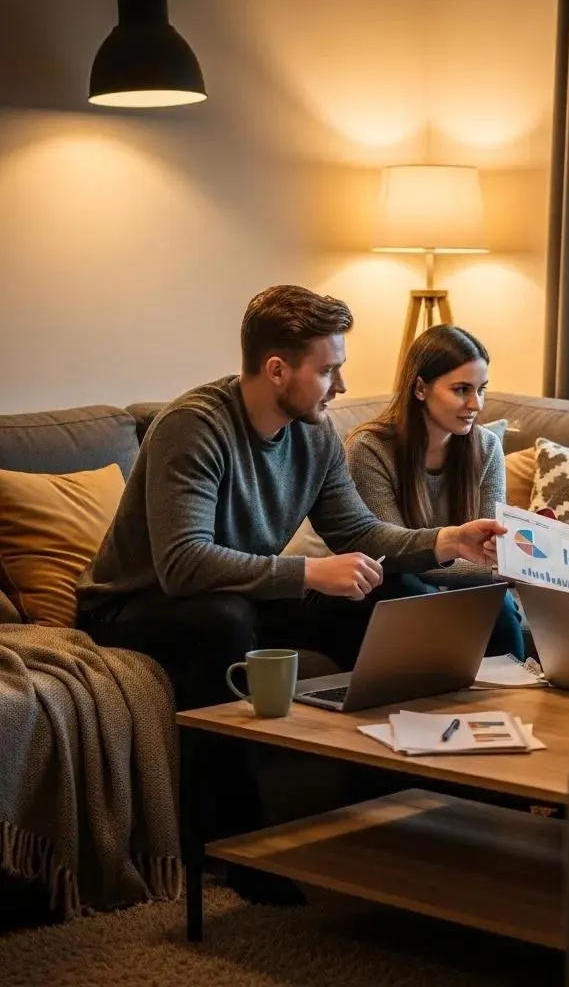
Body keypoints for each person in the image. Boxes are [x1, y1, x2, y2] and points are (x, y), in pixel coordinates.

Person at [76, 285, 504, 902]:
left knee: (388, 593)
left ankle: (384, 809)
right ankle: (238, 848)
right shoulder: (192, 427)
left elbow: (358, 532)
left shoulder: (315, 434)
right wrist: (306, 575)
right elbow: (181, 565)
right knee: (221, 621)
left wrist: (448, 540)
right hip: (134, 605)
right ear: (277, 369)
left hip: (243, 599)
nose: (339, 386)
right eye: (328, 369)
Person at [346, 325, 525, 659]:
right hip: (387, 585)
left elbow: (490, 550)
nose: (476, 404)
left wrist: (510, 568)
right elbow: (394, 556)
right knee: (408, 588)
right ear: (419, 388)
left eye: (481, 390)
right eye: (461, 390)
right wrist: (502, 570)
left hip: (457, 585)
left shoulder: (487, 447)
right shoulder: (369, 449)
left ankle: (514, 703)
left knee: (496, 601)